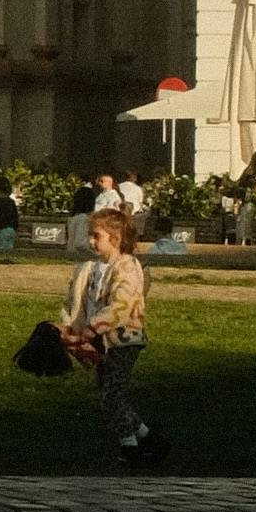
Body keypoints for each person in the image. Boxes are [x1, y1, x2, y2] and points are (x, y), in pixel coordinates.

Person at [59, 199, 152, 470]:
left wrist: (94, 328)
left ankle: (130, 447)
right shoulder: (90, 268)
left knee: (111, 396)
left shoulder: (128, 266)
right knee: (110, 395)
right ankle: (146, 437)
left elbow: (122, 305)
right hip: (98, 341)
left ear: (116, 238)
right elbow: (76, 302)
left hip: (123, 341)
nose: (91, 241)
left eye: (96, 236)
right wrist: (69, 328)